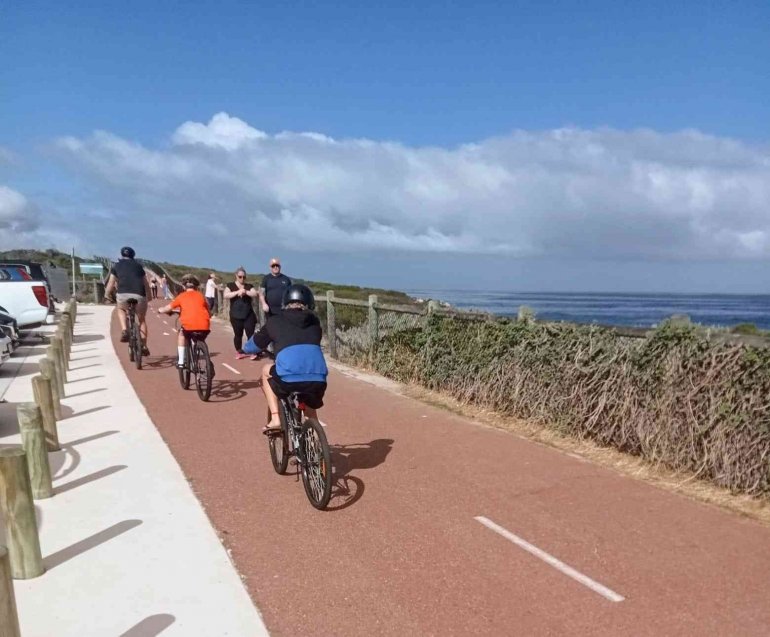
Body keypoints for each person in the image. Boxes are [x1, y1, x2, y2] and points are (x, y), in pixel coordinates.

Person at [243, 284, 327, 432]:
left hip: (288, 378)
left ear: (285, 302)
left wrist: (245, 348)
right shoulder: (315, 322)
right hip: (318, 378)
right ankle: (315, 439)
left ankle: (275, 418)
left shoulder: (275, 321)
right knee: (310, 411)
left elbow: (252, 347)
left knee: (266, 371)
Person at [157, 274, 211, 370]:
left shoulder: (181, 296)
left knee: (181, 334)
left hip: (189, 327)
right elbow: (209, 311)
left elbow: (168, 308)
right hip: (205, 327)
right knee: (200, 337)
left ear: (183, 286)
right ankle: (201, 356)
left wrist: (160, 310)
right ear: (196, 286)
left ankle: (181, 362)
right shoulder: (201, 296)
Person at [105, 246, 152, 355]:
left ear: (122, 255)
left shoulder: (116, 266)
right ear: (133, 256)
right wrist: (149, 297)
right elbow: (146, 284)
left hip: (123, 294)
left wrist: (107, 295)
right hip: (139, 295)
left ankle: (124, 330)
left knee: (121, 309)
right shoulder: (139, 266)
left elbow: (111, 283)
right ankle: (144, 346)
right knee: (142, 320)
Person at [224, 266, 258, 359]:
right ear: (236, 276)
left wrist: (245, 292)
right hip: (235, 315)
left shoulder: (249, 286)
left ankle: (252, 351)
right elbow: (226, 295)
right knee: (238, 334)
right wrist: (237, 292)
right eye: (240, 277)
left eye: (244, 277)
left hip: (248, 314)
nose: (242, 278)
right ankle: (239, 351)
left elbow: (254, 293)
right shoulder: (230, 285)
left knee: (250, 334)